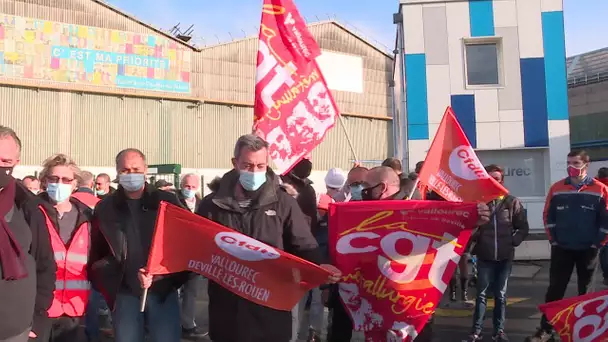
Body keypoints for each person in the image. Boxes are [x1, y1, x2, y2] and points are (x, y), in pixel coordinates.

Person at [194, 134, 341, 342]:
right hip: (227, 310)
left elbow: (304, 244)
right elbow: (194, 246)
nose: (254, 171)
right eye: (248, 165)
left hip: (270, 307)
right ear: (235, 163)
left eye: (260, 166)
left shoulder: (283, 203)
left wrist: (320, 266)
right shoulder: (212, 205)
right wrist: (161, 274)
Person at [328, 166, 491, 342]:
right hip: (373, 301)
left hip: (411, 305)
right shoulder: (358, 211)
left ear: (382, 187)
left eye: (366, 185)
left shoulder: (419, 211)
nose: (361, 190)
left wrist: (473, 221)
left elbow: (447, 234)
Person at [87, 148, 190, 342]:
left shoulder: (166, 202)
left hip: (163, 292)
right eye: (125, 170)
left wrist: (165, 276)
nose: (131, 174)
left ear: (145, 170)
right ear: (116, 172)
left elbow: (184, 245)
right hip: (125, 294)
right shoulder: (105, 207)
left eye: (136, 169)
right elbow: (97, 252)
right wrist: (111, 279)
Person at [526, 150, 608, 342]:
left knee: (585, 291)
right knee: (555, 290)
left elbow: (606, 220)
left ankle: (584, 333)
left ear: (586, 166)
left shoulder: (600, 189)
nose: (571, 167)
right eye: (569, 163)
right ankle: (546, 330)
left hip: (588, 249)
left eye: (576, 163)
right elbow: (548, 215)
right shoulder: (557, 188)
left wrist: (599, 242)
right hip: (562, 248)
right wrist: (553, 239)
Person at [0, 126, 56, 342]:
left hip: (15, 329)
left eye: (6, 161)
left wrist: (38, 319)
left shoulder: (28, 207)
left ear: (16, 162)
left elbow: (45, 264)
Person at [467, 165, 530, 342]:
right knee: (481, 295)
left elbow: (523, 227)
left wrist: (513, 241)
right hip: (485, 256)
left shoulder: (511, 202)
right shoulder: (478, 203)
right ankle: (476, 331)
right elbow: (468, 227)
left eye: (498, 178)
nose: (495, 181)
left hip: (505, 256)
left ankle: (499, 331)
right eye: (491, 178)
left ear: (502, 181)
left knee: (500, 295)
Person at [36, 154, 94, 342]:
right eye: (53, 178)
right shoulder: (32, 212)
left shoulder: (88, 218)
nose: (59, 183)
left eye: (66, 179)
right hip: (39, 310)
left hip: (74, 311)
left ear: (75, 184)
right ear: (44, 181)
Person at [176, 173, 207, 340]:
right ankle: (173, 323)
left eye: (193, 187)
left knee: (191, 292)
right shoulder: (174, 201)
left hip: (195, 256)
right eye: (187, 186)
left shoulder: (203, 205)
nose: (189, 190)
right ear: (182, 185)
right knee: (172, 292)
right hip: (176, 254)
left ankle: (188, 324)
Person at [281, 158, 318, 231]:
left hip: (286, 229)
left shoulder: (282, 185)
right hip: (304, 230)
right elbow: (313, 216)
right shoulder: (309, 190)